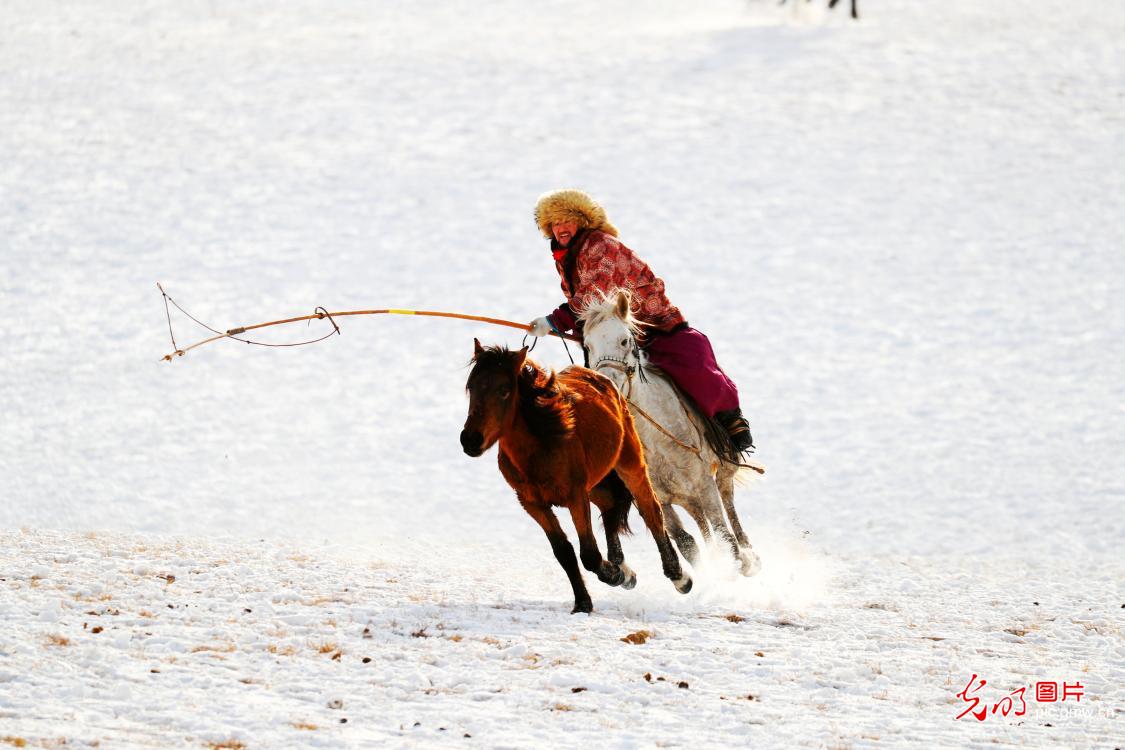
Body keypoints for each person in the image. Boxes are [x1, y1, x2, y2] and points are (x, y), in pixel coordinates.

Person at [527, 189, 754, 452]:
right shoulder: (565, 256)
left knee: (692, 361)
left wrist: (555, 320)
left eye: (566, 220)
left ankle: (731, 419)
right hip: (613, 328)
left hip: (653, 322)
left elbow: (593, 294)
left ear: (582, 222)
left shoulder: (600, 245)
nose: (560, 228)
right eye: (554, 223)